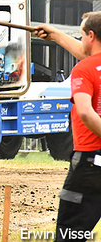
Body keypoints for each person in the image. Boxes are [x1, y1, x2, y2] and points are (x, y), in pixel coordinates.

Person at [35, 14, 101, 241]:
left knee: (70, 232)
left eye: (82, 35)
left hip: (90, 163)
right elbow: (90, 54)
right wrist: (55, 35)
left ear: (91, 36)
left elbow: (85, 111)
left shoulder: (84, 69)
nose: (81, 40)